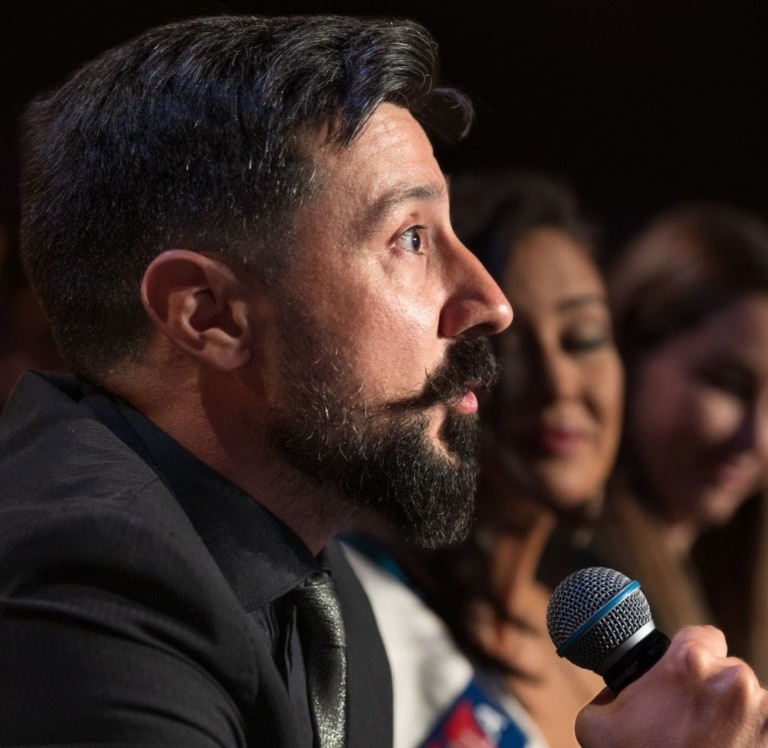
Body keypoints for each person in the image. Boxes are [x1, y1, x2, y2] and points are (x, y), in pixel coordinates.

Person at [0, 13, 766, 748]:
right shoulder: (81, 579)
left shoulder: (327, 594)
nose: (488, 303)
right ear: (209, 315)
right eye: (410, 238)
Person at [343, 170, 622, 747]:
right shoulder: (353, 605)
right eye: (506, 344)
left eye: (583, 338)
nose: (558, 384)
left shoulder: (590, 635)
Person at [552, 201, 768, 685]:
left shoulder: (730, 582)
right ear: (630, 352)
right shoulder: (580, 599)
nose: (756, 438)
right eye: (728, 385)